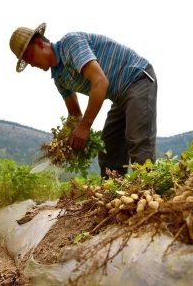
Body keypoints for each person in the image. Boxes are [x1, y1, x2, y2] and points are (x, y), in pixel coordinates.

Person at [9, 22, 157, 177]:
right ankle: (114, 196)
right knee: (109, 147)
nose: (31, 65)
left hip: (137, 79)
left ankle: (147, 191)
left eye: (29, 57)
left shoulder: (71, 43)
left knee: (138, 140)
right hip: (119, 96)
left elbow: (100, 81)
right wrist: (62, 142)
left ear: (41, 44)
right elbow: (74, 115)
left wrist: (85, 127)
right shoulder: (59, 78)